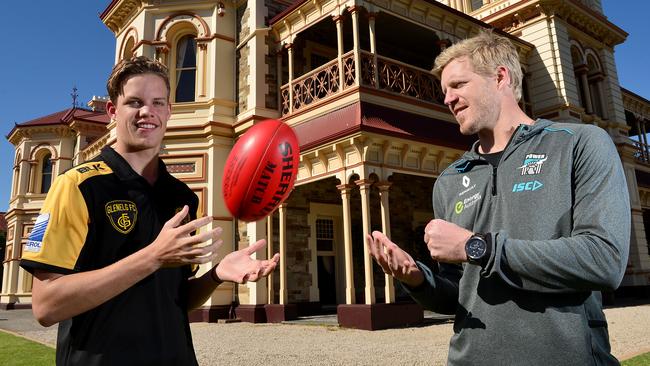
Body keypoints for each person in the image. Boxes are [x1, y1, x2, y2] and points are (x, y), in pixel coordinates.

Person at [366, 30, 630, 365]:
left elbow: (603, 260)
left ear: (500, 77)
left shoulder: (578, 144)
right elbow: (460, 293)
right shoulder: (450, 181)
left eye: (458, 85)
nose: (447, 99)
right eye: (444, 91)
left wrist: (478, 247)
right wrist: (416, 278)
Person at [20, 56, 280, 365]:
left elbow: (174, 300)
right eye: (135, 102)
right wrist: (152, 257)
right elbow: (46, 306)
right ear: (113, 111)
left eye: (158, 102)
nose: (148, 112)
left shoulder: (182, 197)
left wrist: (216, 275)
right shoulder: (77, 186)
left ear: (169, 111)